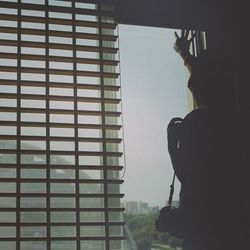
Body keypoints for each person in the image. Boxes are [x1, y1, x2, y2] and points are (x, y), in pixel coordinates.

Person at [156, 30, 248, 249]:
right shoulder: (235, 123)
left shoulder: (199, 123)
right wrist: (185, 55)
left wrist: (172, 150)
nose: (190, 84)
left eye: (195, 79)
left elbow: (194, 186)